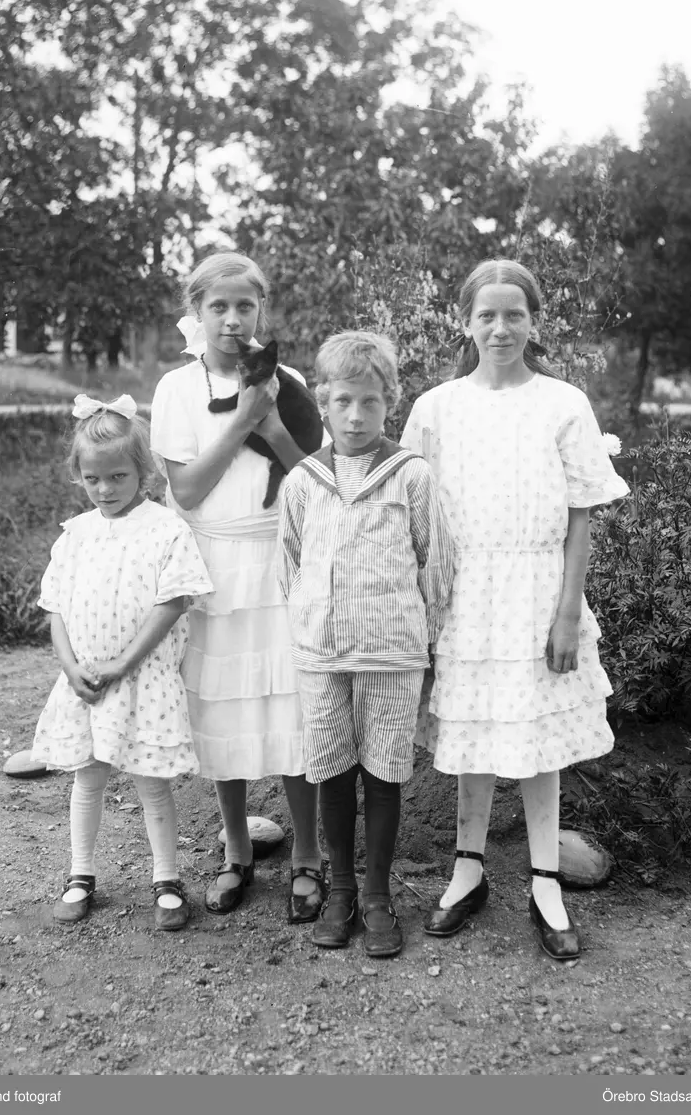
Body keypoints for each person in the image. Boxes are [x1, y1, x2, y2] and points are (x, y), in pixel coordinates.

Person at [401, 260, 629, 960]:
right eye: (487, 315)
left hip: (537, 590)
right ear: (465, 323)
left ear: (533, 321)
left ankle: (545, 881)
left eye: (514, 315)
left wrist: (567, 613)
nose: (500, 329)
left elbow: (580, 517)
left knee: (536, 740)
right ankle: (467, 871)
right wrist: (422, 606)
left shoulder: (563, 403)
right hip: (463, 594)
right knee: (473, 732)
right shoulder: (436, 407)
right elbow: (413, 512)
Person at [150, 251, 325, 922]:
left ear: (261, 311)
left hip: (280, 560)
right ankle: (236, 850)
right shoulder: (176, 389)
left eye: (244, 306)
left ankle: (306, 855)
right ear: (196, 312)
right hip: (214, 565)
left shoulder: (288, 380)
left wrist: (271, 420)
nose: (231, 319)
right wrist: (243, 419)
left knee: (292, 710)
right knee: (223, 711)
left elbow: (313, 479)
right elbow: (188, 490)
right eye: (217, 306)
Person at [278, 331, 454, 957]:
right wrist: (311, 623)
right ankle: (341, 890)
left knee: (383, 771)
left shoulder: (411, 475)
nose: (356, 416)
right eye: (343, 401)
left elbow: (435, 564)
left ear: (391, 402)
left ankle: (378, 894)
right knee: (331, 766)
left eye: (370, 402)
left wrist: (429, 642)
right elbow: (289, 564)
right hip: (324, 653)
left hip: (392, 652)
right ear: (323, 401)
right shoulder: (303, 480)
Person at [33, 394, 214, 931]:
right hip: (87, 681)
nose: (105, 490)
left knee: (151, 782)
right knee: (87, 779)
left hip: (141, 678)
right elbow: (56, 607)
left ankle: (167, 878)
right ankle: (80, 874)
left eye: (117, 477)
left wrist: (122, 663)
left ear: (142, 472)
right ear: (79, 476)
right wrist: (71, 667)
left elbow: (173, 602)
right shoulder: (76, 534)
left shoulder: (165, 529)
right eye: (93, 479)